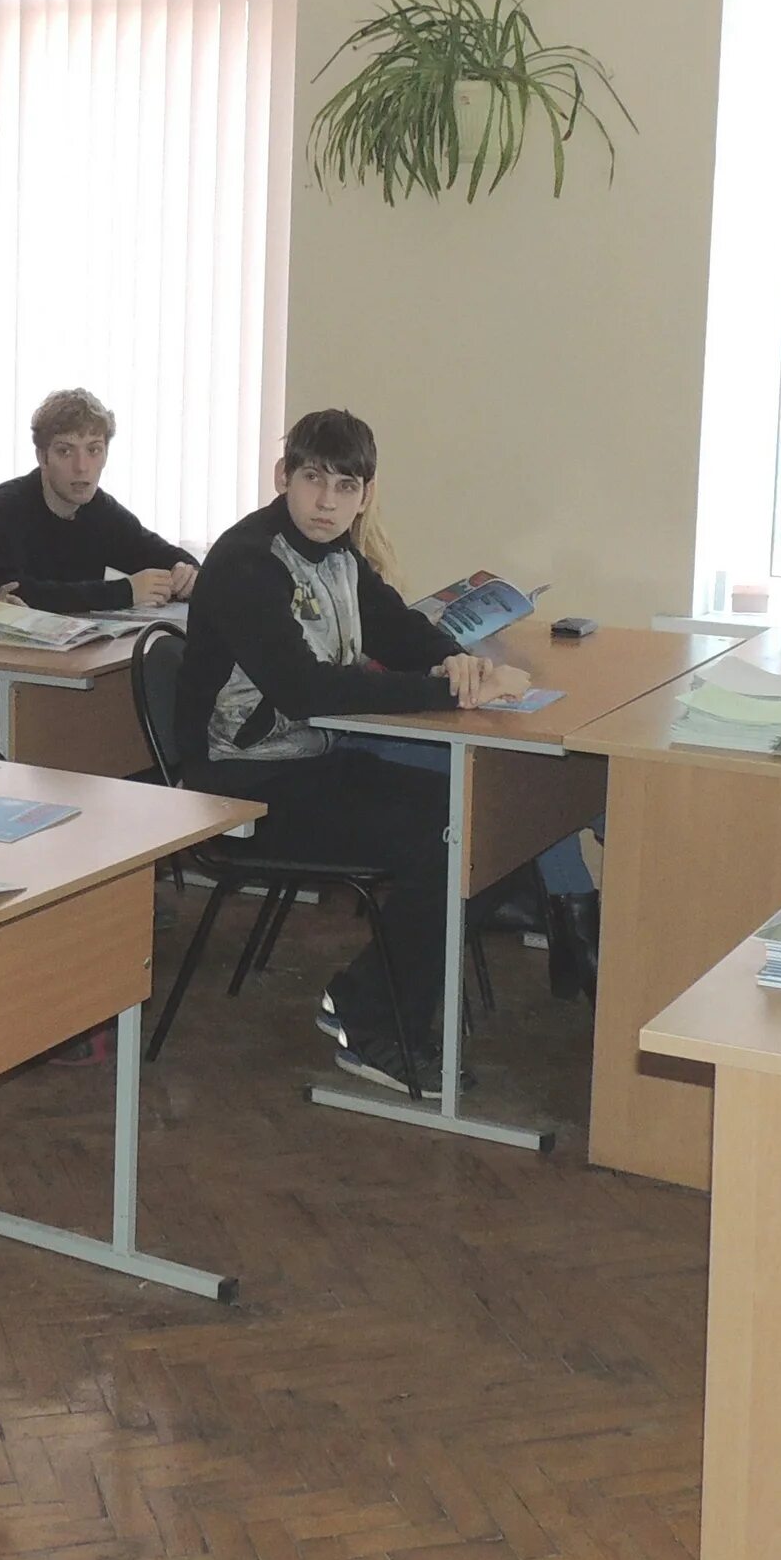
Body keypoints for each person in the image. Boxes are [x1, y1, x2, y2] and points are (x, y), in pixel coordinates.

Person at [177, 408, 531, 1094]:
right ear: (285, 477)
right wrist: (443, 694)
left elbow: (396, 629)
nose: (328, 500)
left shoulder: (339, 553)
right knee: (447, 834)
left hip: (308, 763)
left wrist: (459, 664)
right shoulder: (248, 561)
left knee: (488, 819)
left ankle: (366, 1001)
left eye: (346, 486)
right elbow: (302, 688)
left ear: (366, 495)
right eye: (313, 480)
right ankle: (373, 1026)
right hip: (242, 783)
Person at [0, 389, 197, 614]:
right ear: (42, 457)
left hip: (73, 651)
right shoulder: (4, 507)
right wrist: (125, 592)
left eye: (94, 450)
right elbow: (13, 593)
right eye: (65, 451)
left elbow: (164, 556)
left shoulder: (100, 509)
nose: (82, 467)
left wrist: (186, 573)